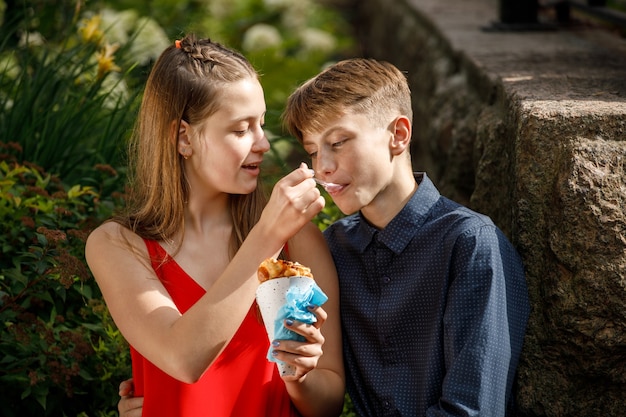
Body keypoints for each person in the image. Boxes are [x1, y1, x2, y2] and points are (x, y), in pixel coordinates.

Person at [119, 57, 531, 417]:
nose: (324, 167)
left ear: (399, 135)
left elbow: (473, 408)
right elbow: (299, 385)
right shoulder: (333, 248)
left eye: (338, 142)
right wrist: (165, 398)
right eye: (314, 151)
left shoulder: (470, 244)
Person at [86, 34, 344, 417]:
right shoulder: (119, 246)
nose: (263, 144)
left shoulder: (297, 239)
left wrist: (300, 377)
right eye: (241, 130)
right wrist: (268, 235)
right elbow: (183, 358)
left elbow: (329, 403)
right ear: (183, 137)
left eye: (260, 123)